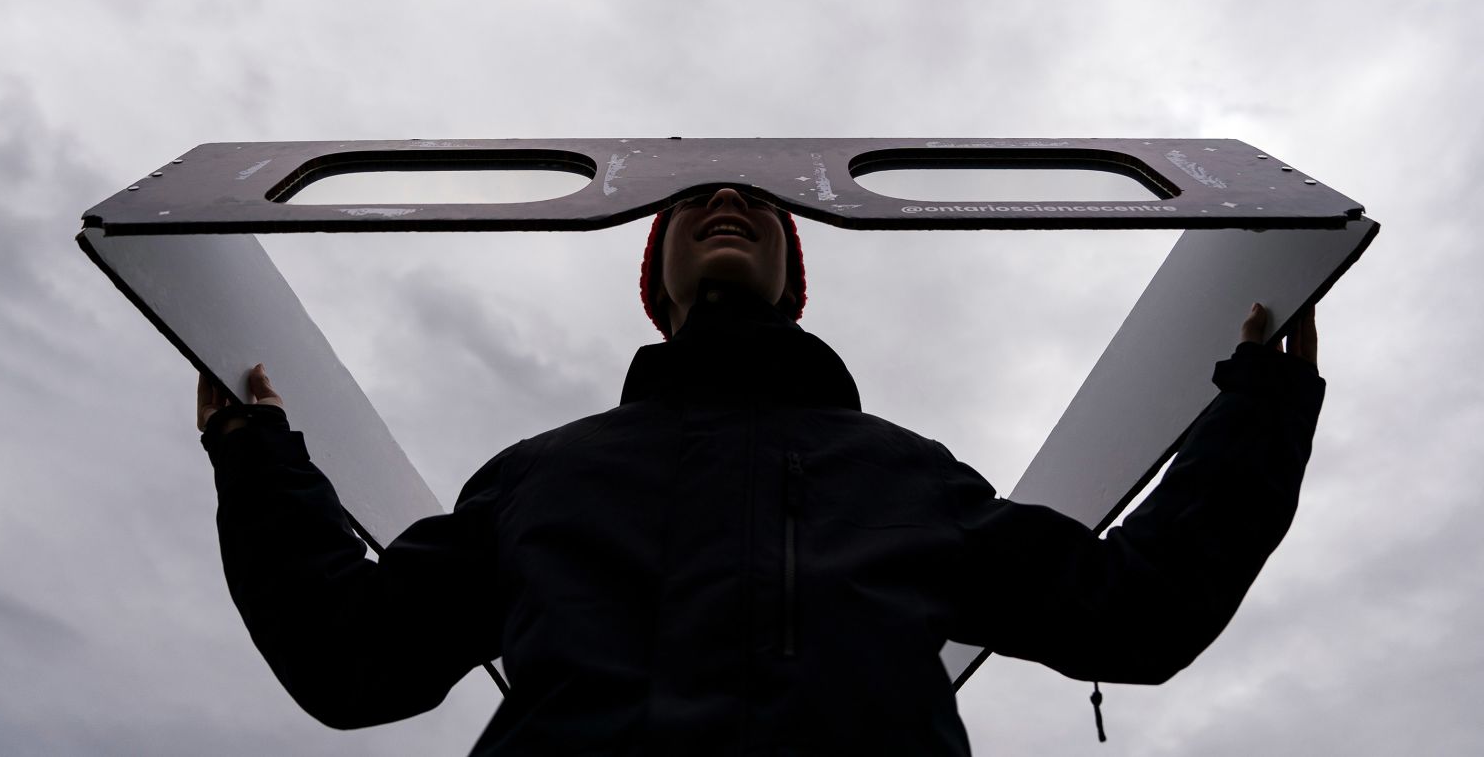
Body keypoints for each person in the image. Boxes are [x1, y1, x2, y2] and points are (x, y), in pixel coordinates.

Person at [197, 186, 1323, 756]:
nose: (724, 202)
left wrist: (1259, 413)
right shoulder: (539, 476)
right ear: (660, 279)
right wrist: (257, 465)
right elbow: (354, 660)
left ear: (791, 275)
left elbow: (1129, 615)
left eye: (758, 206)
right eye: (689, 204)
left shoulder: (905, 473)